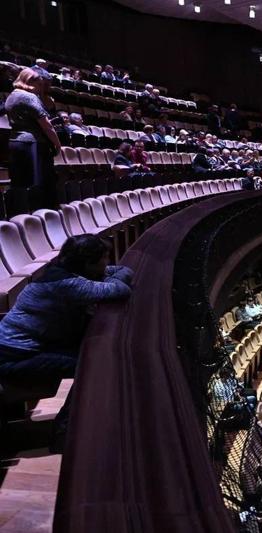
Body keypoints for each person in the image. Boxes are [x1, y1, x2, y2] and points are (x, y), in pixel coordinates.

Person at [0, 235, 134, 449]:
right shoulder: (66, 284)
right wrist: (106, 279)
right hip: (13, 357)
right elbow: (120, 289)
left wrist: (103, 276)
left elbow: (123, 271)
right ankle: (65, 430)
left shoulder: (60, 273)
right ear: (88, 263)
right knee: (91, 365)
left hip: (24, 350)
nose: (107, 263)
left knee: (93, 355)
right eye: (104, 258)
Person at [5, 68, 61, 215]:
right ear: (29, 81)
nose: (41, 88)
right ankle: (42, 217)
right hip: (33, 143)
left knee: (20, 184)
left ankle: (21, 216)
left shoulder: (11, 96)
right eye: (40, 85)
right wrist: (57, 143)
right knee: (39, 184)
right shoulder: (29, 97)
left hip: (15, 142)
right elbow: (46, 125)